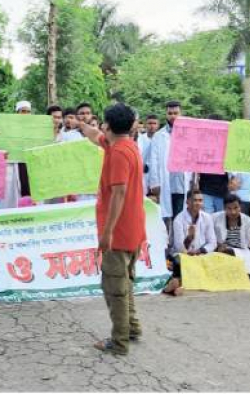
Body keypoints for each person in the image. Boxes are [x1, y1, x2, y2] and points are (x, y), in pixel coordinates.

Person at [78, 103, 145, 355]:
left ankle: (119, 342)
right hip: (133, 229)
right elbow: (95, 136)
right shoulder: (126, 145)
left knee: (114, 288)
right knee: (125, 282)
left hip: (119, 232)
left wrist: (107, 232)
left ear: (108, 125)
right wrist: (80, 125)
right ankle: (132, 328)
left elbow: (119, 194)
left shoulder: (118, 153)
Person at [164, 189, 217, 297]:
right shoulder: (178, 219)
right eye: (195, 200)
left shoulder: (207, 218)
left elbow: (212, 242)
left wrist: (201, 250)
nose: (198, 203)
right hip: (183, 255)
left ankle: (177, 285)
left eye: (200, 200)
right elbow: (179, 247)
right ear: (187, 202)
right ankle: (175, 285)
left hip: (201, 254)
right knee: (181, 262)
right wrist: (189, 237)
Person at [148, 101, 191, 229]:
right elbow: (153, 160)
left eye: (176, 113)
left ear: (181, 113)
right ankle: (166, 245)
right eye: (170, 113)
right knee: (165, 217)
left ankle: (178, 245)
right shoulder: (159, 136)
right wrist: (154, 182)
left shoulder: (189, 134)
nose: (173, 116)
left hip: (182, 182)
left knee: (180, 216)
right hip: (166, 182)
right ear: (166, 115)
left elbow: (193, 157)